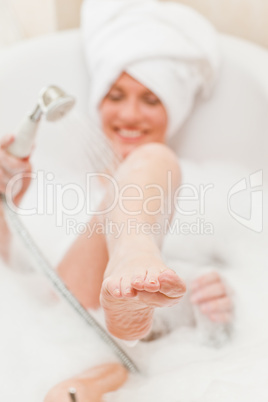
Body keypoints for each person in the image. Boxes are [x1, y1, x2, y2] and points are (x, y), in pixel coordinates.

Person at [0, 0, 234, 400]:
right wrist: (5, 202)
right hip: (53, 316)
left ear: (174, 108)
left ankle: (82, 376)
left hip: (108, 359)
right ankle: (131, 259)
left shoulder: (203, 193)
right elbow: (9, 276)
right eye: (116, 94)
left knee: (106, 368)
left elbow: (238, 286)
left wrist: (218, 311)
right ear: (97, 101)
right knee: (153, 159)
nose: (130, 114)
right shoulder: (65, 185)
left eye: (151, 99)